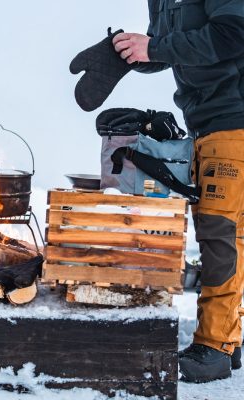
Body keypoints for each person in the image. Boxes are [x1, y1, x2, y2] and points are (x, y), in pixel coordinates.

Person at [112, 0, 244, 383]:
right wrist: (136, 50)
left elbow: (233, 34)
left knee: (220, 235)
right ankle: (227, 341)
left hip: (234, 117)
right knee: (227, 234)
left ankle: (214, 347)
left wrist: (153, 48)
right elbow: (175, 45)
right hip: (204, 120)